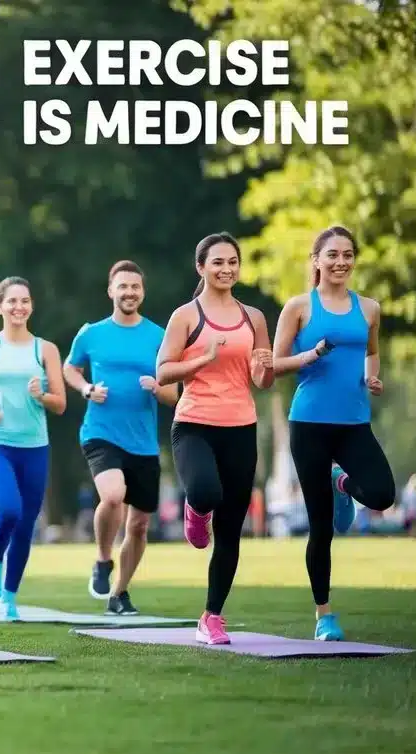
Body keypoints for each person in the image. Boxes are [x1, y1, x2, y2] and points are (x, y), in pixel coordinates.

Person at [270, 226, 395, 641]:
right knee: (321, 525)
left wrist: (372, 378)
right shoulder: (299, 307)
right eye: (333, 255)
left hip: (354, 423)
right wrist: (312, 353)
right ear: (317, 261)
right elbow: (275, 363)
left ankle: (341, 481)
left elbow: (371, 354)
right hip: (309, 423)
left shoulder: (370, 309)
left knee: (382, 494)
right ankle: (324, 615)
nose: (341, 261)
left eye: (347, 254)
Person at [157, 232, 274, 646]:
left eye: (232, 263)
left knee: (230, 530)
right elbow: (163, 371)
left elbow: (261, 379)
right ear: (201, 267)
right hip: (193, 424)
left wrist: (266, 367)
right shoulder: (186, 317)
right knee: (205, 490)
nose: (227, 270)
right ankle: (195, 509)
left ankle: (212, 616)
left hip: (241, 427)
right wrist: (202, 359)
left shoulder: (254, 318)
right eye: (218, 263)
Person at [63, 260, 178, 615]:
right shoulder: (91, 333)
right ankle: (102, 558)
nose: (129, 292)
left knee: (140, 524)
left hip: (142, 441)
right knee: (113, 496)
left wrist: (158, 388)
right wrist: (85, 389)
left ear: (142, 293)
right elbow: (71, 368)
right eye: (123, 286)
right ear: (111, 291)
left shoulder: (159, 336)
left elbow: (174, 395)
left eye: (135, 287)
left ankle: (120, 593)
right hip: (101, 432)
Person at [0, 277, 63, 622]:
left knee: (25, 525)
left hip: (35, 447)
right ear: (0, 306)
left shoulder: (45, 350)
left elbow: (61, 404)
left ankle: (8, 598)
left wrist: (41, 396)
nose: (19, 307)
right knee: (8, 511)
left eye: (25, 301)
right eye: (12, 301)